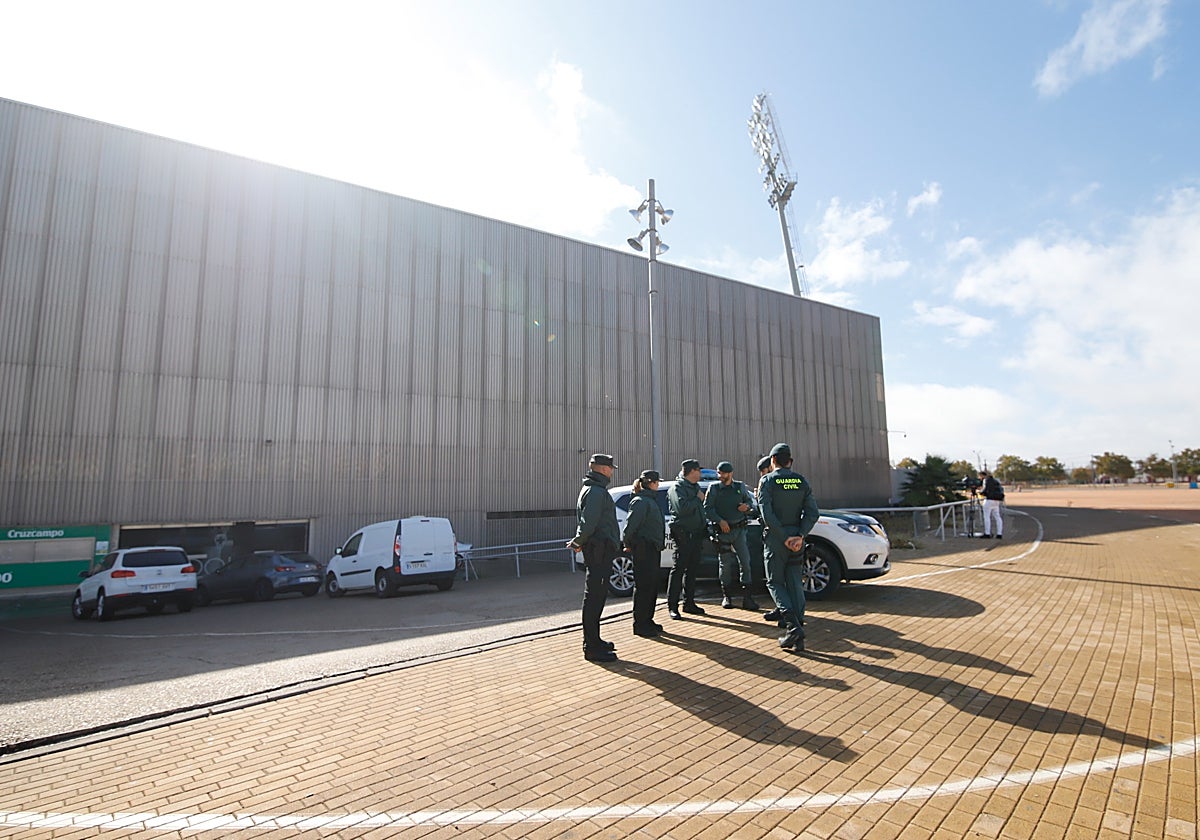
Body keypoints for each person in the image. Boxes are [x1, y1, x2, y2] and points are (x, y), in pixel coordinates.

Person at [758, 442, 820, 652]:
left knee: (775, 582)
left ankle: (793, 627)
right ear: (790, 461)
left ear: (773, 461)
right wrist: (800, 535)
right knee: (795, 583)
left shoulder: (767, 481)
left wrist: (784, 537)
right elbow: (813, 513)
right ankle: (798, 636)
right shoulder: (801, 481)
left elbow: (767, 515)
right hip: (797, 540)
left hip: (777, 540)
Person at [567, 453, 620, 662]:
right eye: (610, 468)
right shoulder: (596, 491)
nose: (612, 471)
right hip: (599, 550)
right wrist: (579, 541)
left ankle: (595, 641)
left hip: (598, 549)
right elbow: (588, 522)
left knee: (596, 597)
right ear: (602, 469)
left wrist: (580, 540)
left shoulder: (592, 489)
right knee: (595, 598)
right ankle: (591, 647)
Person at [704, 460, 760, 611]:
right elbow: (708, 509)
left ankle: (747, 598)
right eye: (719, 473)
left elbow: (750, 503)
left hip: (739, 530)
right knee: (725, 564)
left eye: (722, 473)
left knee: (745, 563)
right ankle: (726, 596)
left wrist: (746, 507)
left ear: (730, 473)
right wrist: (720, 521)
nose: (720, 476)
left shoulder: (739, 487)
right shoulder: (714, 488)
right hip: (723, 532)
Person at [623, 469, 667, 637]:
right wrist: (628, 543)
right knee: (644, 587)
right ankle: (640, 624)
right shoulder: (641, 501)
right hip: (643, 548)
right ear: (651, 483)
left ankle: (648, 620)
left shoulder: (650, 500)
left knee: (652, 586)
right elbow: (631, 526)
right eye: (657, 482)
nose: (658, 485)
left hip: (652, 548)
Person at [666, 459, 708, 620]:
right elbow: (681, 508)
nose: (700, 474)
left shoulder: (694, 487)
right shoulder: (678, 488)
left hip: (696, 533)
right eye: (699, 471)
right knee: (678, 570)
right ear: (691, 471)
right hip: (683, 534)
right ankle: (673, 606)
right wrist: (698, 499)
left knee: (692, 570)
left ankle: (689, 603)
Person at [979, 470, 1005, 539]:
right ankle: (999, 533)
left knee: (987, 517)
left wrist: (980, 492)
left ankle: (987, 533)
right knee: (997, 517)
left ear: (982, 475)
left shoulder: (986, 480)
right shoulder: (996, 481)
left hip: (989, 500)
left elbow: (985, 490)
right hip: (997, 500)